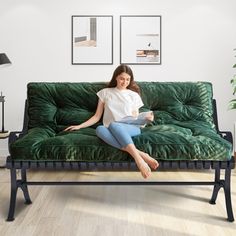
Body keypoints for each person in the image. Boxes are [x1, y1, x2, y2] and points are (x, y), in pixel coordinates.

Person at [64, 64, 159, 178]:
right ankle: (141, 154)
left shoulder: (133, 95)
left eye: (128, 79)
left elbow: (135, 116)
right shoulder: (105, 92)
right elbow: (97, 116)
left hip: (131, 128)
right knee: (100, 129)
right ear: (116, 77)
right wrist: (80, 126)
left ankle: (139, 160)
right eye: (122, 78)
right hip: (110, 128)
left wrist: (146, 117)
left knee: (115, 125)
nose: (124, 82)